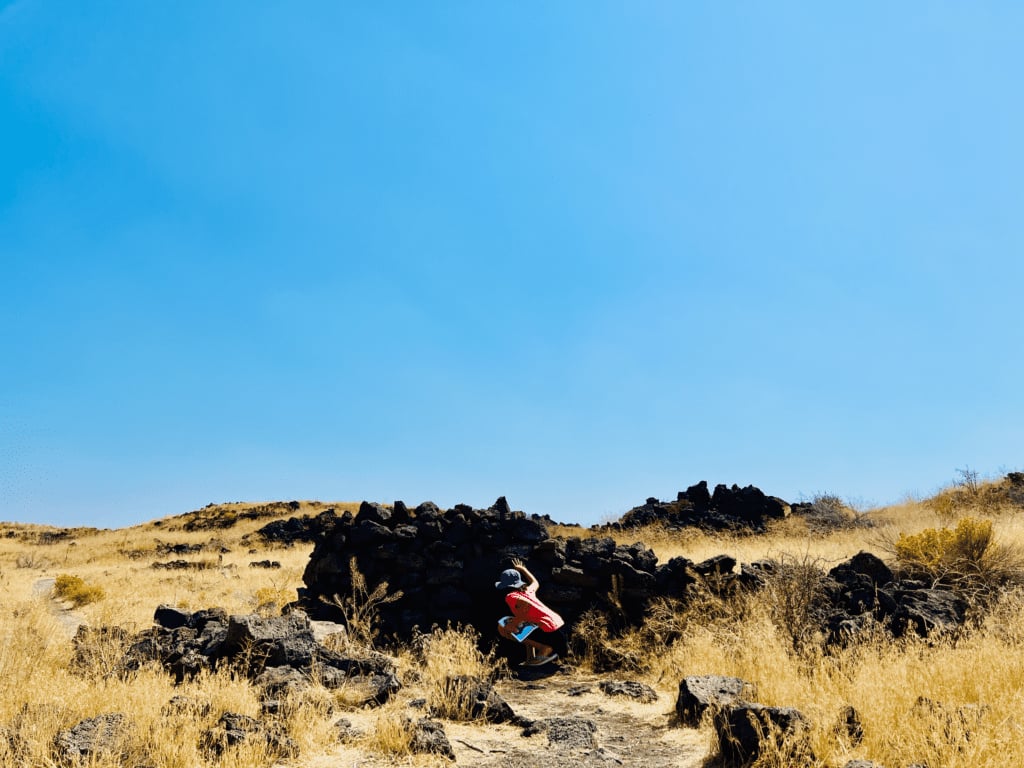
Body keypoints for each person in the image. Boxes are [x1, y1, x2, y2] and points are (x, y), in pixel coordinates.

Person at [495, 557, 564, 666]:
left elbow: (524, 607)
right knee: (525, 624)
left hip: (548, 632)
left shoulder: (511, 596)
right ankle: (530, 658)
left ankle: (543, 649)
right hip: (557, 629)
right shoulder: (527, 591)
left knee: (503, 626)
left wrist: (513, 624)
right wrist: (523, 569)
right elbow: (535, 582)